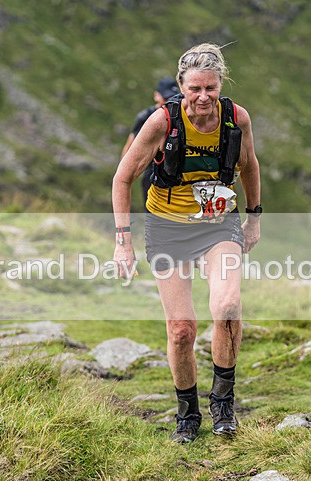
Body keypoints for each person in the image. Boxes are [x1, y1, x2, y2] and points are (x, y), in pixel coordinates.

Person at [112, 43, 262, 443]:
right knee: (182, 329)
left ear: (220, 85)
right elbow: (122, 178)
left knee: (227, 305)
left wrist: (254, 218)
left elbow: (249, 165)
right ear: (181, 86)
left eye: (210, 88)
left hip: (218, 225)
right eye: (194, 88)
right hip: (167, 228)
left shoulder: (236, 118)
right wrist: (123, 241)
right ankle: (187, 413)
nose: (202, 97)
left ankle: (223, 405)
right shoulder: (161, 122)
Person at [120, 77, 180, 211]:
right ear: (156, 96)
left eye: (171, 97)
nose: (167, 102)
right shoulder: (145, 117)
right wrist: (124, 176)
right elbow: (130, 146)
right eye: (165, 98)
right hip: (152, 173)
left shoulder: (179, 115)